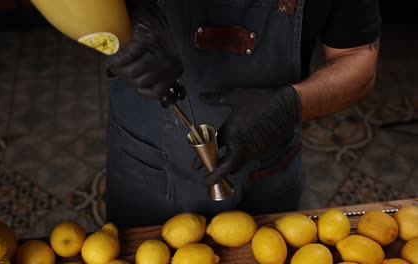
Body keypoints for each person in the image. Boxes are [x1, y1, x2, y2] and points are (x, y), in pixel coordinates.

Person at [103, 0, 381, 228]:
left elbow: (356, 57)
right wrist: (123, 16)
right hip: (146, 165)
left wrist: (291, 105)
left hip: (268, 172)